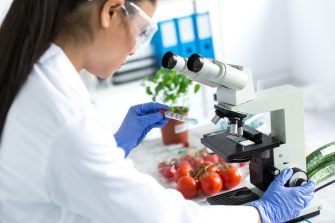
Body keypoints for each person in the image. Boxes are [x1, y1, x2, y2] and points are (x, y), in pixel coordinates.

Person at [0, 0, 315, 222]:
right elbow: (161, 218)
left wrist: (114, 147)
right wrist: (262, 214)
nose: (136, 48)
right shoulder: (65, 117)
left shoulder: (29, 69)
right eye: (142, 31)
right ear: (110, 11)